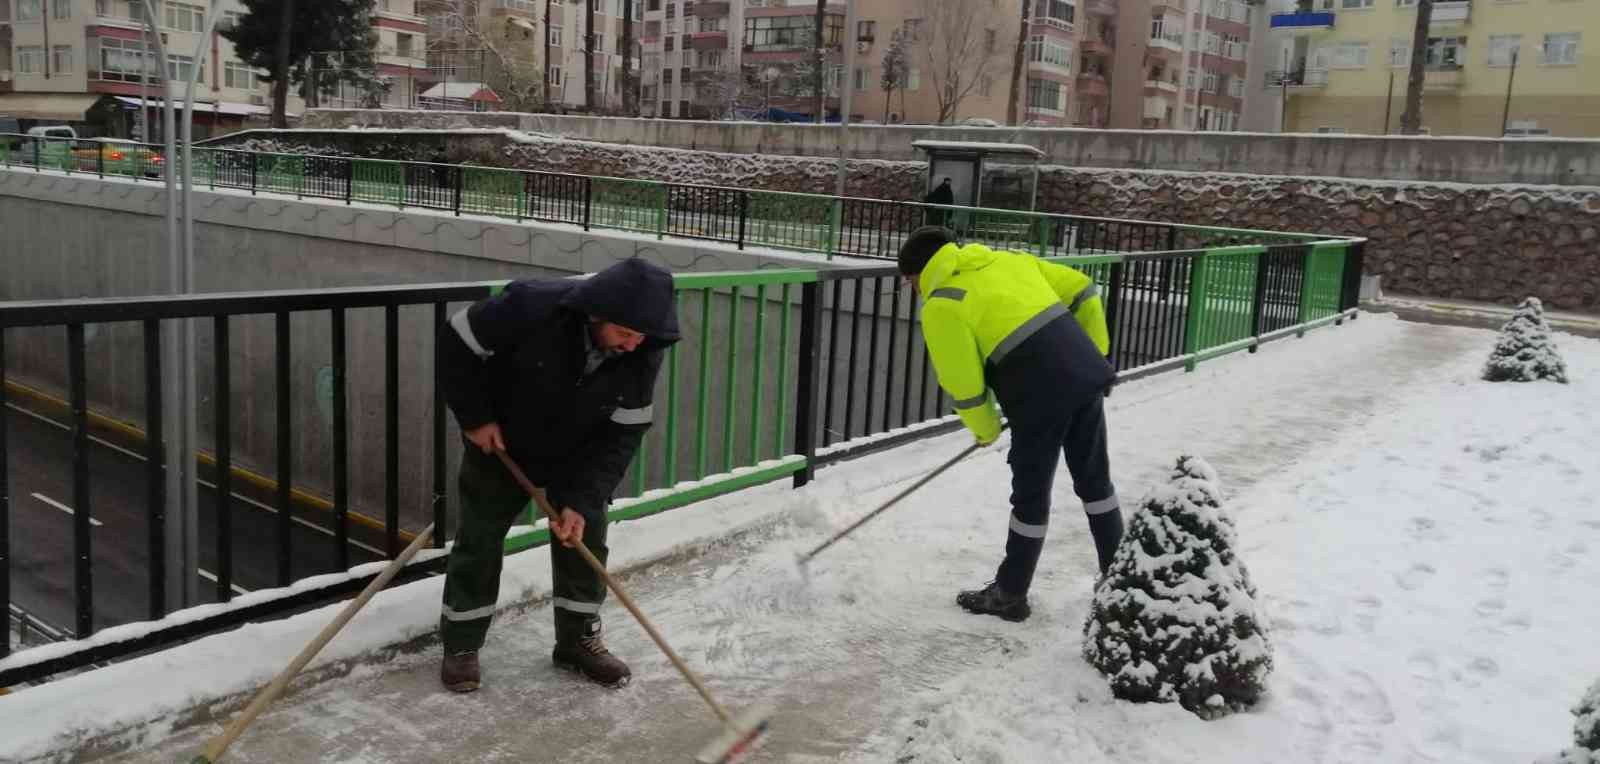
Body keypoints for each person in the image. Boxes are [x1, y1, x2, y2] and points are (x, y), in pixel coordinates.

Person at [435, 257, 680, 692]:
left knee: (584, 536)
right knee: (480, 537)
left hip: (580, 449)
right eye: (624, 333)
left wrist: (583, 501)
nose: (632, 345)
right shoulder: (531, 307)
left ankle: (577, 641)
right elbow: (457, 340)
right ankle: (461, 645)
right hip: (504, 442)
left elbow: (625, 430)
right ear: (597, 314)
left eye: (640, 336)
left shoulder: (644, 346)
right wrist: (475, 418)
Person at [897, 226, 1123, 622]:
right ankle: (1122, 577)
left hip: (1038, 398)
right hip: (1085, 379)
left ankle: (1010, 593)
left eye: (909, 281)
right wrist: (1095, 356)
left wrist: (984, 429)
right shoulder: (1008, 260)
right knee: (1095, 483)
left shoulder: (942, 303)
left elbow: (964, 384)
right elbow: (1084, 289)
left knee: (1031, 497)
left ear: (919, 273)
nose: (912, 289)